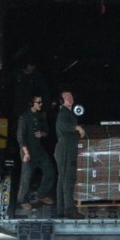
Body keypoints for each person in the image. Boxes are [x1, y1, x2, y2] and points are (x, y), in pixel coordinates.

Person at [13, 94, 55, 215]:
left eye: (41, 102)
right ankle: (22, 201)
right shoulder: (24, 118)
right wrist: (26, 153)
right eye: (38, 102)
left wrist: (42, 134)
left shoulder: (41, 116)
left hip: (38, 149)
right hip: (28, 150)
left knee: (50, 171)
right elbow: (21, 138)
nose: (41, 105)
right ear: (32, 104)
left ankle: (41, 194)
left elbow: (47, 132)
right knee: (26, 177)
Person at [54, 90, 84, 218]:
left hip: (67, 150)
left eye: (71, 96)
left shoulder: (69, 113)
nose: (70, 98)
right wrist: (77, 128)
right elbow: (63, 126)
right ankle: (70, 210)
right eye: (66, 97)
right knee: (68, 180)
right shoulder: (63, 114)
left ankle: (61, 209)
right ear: (62, 100)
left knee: (62, 180)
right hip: (65, 151)